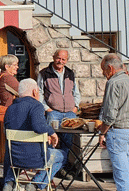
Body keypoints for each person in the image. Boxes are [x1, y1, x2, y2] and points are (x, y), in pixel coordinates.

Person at [3, 79, 65, 191]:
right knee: (62, 155)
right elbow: (38, 127)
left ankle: (10, 182)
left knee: (17, 150)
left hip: (15, 159)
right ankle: (35, 184)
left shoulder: (10, 109)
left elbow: (6, 132)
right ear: (35, 92)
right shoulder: (36, 106)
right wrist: (52, 133)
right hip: (36, 158)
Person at [97, 53, 129, 191]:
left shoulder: (113, 83)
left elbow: (110, 114)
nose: (104, 74)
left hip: (119, 131)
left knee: (121, 175)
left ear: (110, 68)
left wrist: (102, 132)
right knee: (126, 171)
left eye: (104, 71)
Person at [37, 49, 80, 179]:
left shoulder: (70, 73)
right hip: (53, 113)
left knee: (68, 142)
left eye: (63, 59)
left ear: (67, 60)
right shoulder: (44, 73)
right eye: (58, 58)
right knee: (51, 140)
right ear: (53, 57)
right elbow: (39, 92)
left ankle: (61, 169)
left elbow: (76, 92)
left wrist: (75, 107)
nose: (60, 61)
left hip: (69, 113)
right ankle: (48, 168)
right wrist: (46, 108)